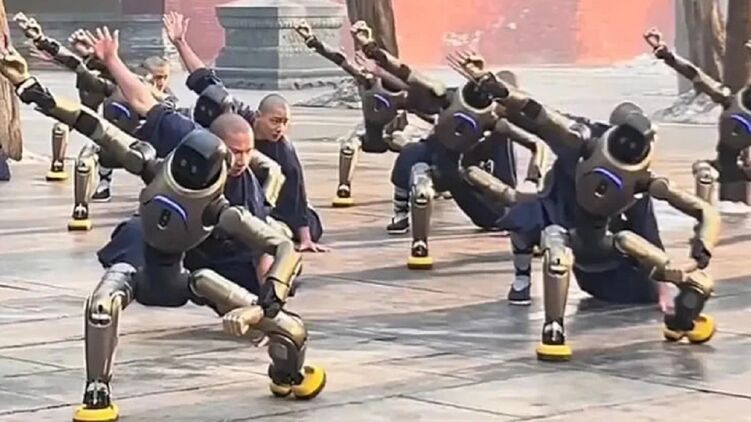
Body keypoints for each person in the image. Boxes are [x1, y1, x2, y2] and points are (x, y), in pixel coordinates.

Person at [0, 28, 326, 422]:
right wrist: (29, 85)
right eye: (233, 153)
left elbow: (275, 245)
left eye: (246, 154)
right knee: (102, 306)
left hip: (203, 270)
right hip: (147, 252)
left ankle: (288, 372)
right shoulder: (168, 155)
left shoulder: (234, 202)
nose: (239, 162)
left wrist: (268, 300)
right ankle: (97, 391)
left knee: (289, 329)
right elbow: (98, 124)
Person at [452, 52, 720, 361]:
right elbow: (537, 114)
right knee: (539, 228)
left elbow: (700, 213)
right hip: (560, 229)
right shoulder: (580, 140)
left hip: (608, 254)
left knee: (691, 278)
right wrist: (497, 89)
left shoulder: (641, 181)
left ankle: (680, 321)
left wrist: (701, 249)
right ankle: (549, 323)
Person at [165, 11, 329, 252]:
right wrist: (180, 43)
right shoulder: (235, 116)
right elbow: (205, 81)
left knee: (286, 226)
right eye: (274, 121)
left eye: (285, 122)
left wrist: (305, 238)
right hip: (231, 196)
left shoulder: (283, 149)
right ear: (259, 116)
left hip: (271, 207)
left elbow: (296, 191)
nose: (279, 128)